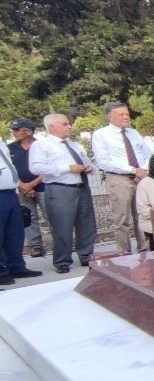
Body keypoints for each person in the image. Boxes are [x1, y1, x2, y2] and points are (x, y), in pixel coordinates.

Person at [28, 114, 97, 273]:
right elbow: (36, 168)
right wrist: (67, 168)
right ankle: (62, 260)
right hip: (60, 189)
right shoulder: (41, 145)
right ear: (52, 127)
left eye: (69, 123)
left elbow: (88, 163)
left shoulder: (73, 145)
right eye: (65, 124)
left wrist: (88, 168)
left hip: (82, 187)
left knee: (87, 225)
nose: (69, 126)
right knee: (62, 226)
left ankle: (86, 256)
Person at [92, 101, 152, 254]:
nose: (126, 117)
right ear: (110, 117)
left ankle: (145, 249)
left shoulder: (133, 133)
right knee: (122, 217)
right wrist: (133, 170)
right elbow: (103, 162)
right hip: (120, 179)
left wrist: (142, 170)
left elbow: (147, 154)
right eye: (121, 115)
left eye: (127, 114)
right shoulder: (101, 135)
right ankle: (124, 252)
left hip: (141, 178)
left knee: (142, 214)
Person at [0, 140, 44, 285]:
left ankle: (16, 267)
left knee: (15, 233)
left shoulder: (1, 143)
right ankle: (1, 272)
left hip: (10, 193)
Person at [8, 120, 46, 258]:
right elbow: (9, 169)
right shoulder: (10, 148)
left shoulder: (42, 146)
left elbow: (48, 167)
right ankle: (36, 246)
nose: (14, 133)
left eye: (17, 130)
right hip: (23, 188)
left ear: (28, 131)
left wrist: (32, 184)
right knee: (29, 217)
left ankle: (61, 245)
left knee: (51, 216)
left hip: (44, 187)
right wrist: (22, 185)